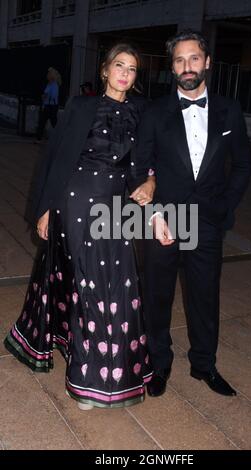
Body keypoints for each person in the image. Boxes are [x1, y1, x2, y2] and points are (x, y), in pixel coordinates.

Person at [5, 43, 155, 410]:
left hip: (117, 207)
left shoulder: (140, 112)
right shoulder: (82, 105)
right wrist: (45, 209)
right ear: (105, 70)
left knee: (120, 288)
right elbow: (55, 159)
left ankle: (114, 371)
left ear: (136, 78)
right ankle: (86, 379)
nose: (124, 72)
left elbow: (147, 159)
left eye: (132, 68)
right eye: (119, 65)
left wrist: (150, 180)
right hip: (77, 201)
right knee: (88, 286)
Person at [135, 30, 251, 398]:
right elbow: (139, 167)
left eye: (194, 58)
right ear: (172, 67)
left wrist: (224, 207)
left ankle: (204, 365)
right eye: (180, 60)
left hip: (207, 221)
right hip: (163, 219)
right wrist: (153, 215)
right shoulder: (154, 111)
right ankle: (159, 364)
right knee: (157, 297)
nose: (188, 66)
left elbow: (244, 165)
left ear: (207, 62)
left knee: (205, 298)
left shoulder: (229, 109)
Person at [36, 67, 62, 141]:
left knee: (51, 122)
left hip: (51, 106)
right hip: (48, 105)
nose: (47, 75)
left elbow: (53, 95)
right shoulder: (50, 84)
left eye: (48, 74)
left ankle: (58, 137)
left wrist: (45, 96)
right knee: (44, 122)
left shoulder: (54, 84)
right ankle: (39, 138)